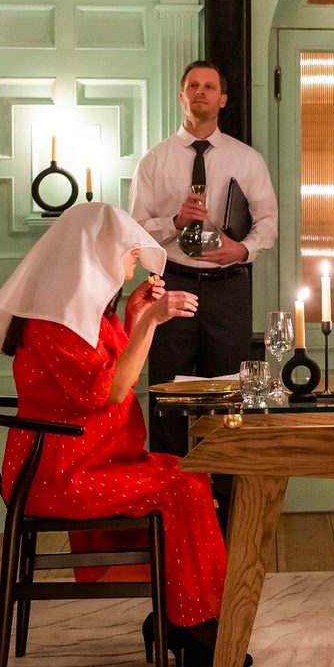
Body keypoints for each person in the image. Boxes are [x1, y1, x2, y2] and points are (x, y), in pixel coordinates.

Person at [0, 203, 245, 667]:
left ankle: (183, 616)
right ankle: (189, 623)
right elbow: (110, 390)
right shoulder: (53, 323)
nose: (134, 260)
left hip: (88, 458)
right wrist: (150, 322)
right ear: (97, 253)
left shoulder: (83, 314)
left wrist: (134, 317)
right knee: (179, 486)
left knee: (189, 474)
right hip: (57, 473)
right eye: (128, 251)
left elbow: (113, 370)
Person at [128, 61, 277, 468]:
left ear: (222, 99)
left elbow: (268, 223)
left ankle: (226, 498)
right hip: (172, 284)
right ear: (181, 96)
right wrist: (175, 221)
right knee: (167, 396)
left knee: (230, 397)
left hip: (228, 287)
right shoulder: (153, 160)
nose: (200, 92)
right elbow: (135, 231)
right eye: (193, 85)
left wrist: (241, 250)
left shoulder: (247, 160)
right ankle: (170, 490)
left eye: (209, 87)